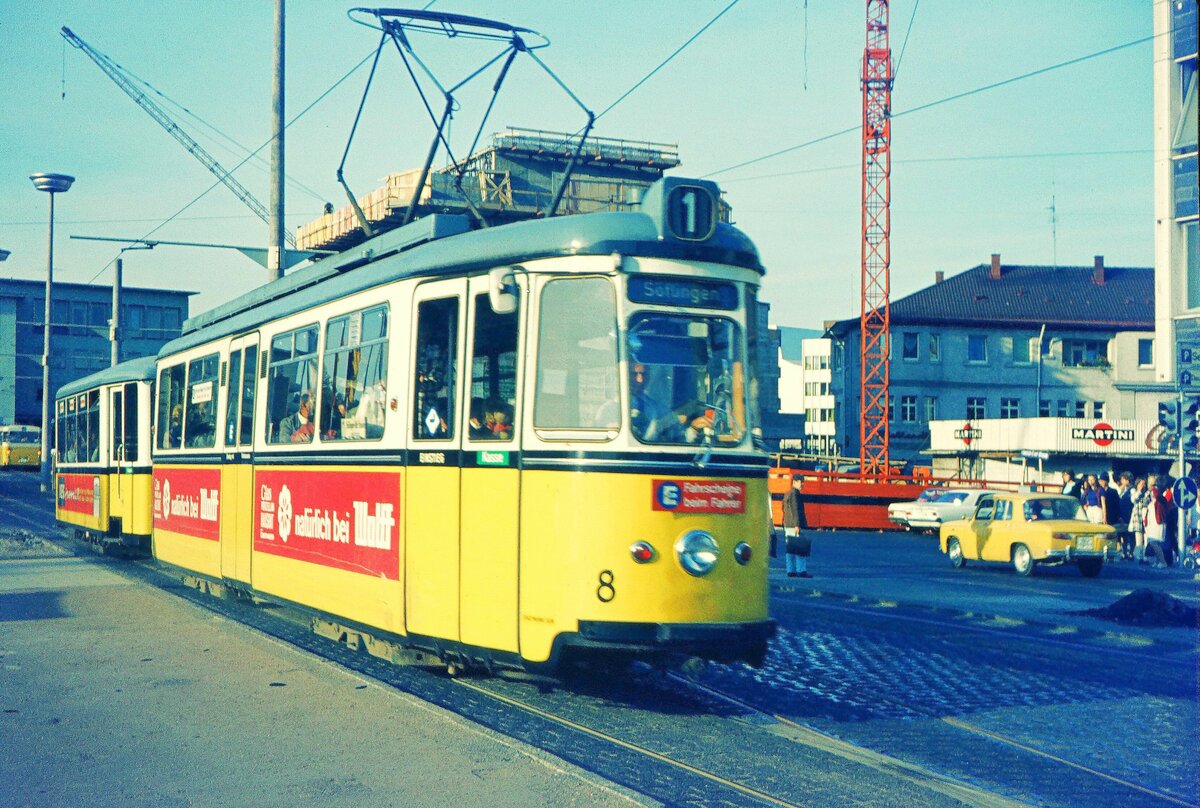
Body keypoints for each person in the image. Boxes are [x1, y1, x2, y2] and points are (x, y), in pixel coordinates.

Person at [782, 475, 812, 578]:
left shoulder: (787, 494)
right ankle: (801, 570)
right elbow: (795, 510)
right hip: (793, 525)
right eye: (801, 482)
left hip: (787, 524)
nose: (802, 484)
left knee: (790, 548)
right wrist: (797, 524)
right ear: (794, 482)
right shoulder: (795, 494)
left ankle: (790, 571)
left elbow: (784, 509)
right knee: (800, 548)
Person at [1129, 476, 1151, 562]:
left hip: (1146, 518)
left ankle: (1146, 557)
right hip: (1137, 517)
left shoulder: (1147, 493)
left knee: (1146, 539)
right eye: (1141, 484)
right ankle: (1139, 557)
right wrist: (1139, 491)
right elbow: (1134, 499)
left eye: (1144, 484)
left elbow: (1149, 501)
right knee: (1139, 540)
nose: (1143, 486)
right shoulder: (1133, 491)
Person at [1099, 473, 1123, 548]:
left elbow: (1117, 504)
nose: (1102, 482)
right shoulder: (1099, 491)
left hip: (1112, 516)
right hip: (1102, 515)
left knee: (1114, 533)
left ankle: (1117, 547)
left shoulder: (1113, 491)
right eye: (1101, 481)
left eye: (1103, 481)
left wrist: (1119, 516)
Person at [1116, 472, 1136, 560]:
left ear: (1127, 480)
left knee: (1130, 535)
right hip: (1122, 515)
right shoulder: (1123, 490)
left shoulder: (1132, 490)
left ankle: (1131, 552)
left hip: (1129, 515)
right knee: (1123, 534)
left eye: (1123, 479)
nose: (1121, 481)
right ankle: (1124, 553)